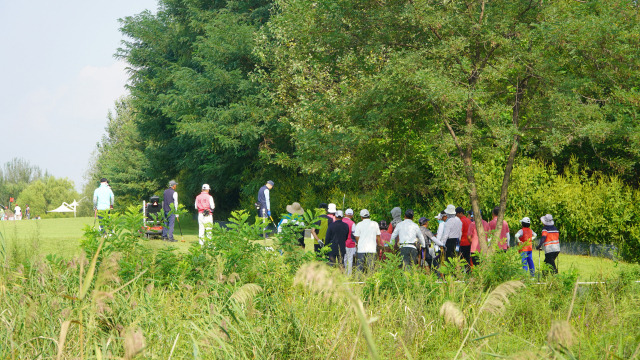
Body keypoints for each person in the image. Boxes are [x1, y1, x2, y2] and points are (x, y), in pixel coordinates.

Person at [354, 209, 381, 273]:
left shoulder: (359, 224)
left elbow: (356, 237)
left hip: (361, 249)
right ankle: (371, 281)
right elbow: (378, 236)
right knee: (371, 268)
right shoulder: (375, 224)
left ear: (361, 217)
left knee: (359, 267)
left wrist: (359, 243)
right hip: (372, 249)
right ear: (369, 216)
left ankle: (358, 281)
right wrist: (379, 245)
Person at [342, 209, 357, 275]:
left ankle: (344, 273)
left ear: (345, 214)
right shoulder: (352, 223)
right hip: (350, 243)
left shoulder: (341, 221)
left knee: (344, 259)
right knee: (350, 260)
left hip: (342, 243)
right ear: (352, 215)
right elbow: (355, 234)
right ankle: (349, 275)